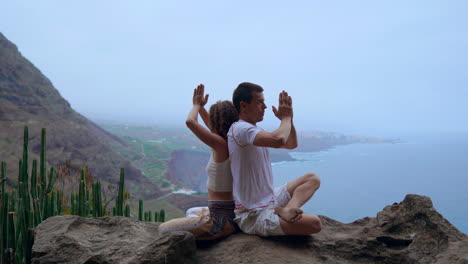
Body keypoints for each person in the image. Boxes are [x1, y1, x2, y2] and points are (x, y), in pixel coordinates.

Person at [227, 82, 322, 236]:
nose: (265, 106)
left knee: (312, 179)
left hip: (269, 200)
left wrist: (289, 120)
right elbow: (278, 139)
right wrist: (285, 118)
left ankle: (286, 211)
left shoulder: (255, 130)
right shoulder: (240, 129)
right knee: (314, 224)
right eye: (259, 102)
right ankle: (282, 212)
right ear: (244, 106)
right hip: (252, 213)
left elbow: (291, 144)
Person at [158, 84, 239, 240]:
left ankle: (223, 229)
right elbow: (212, 127)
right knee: (191, 211)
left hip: (220, 219)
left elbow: (190, 122)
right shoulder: (231, 141)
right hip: (228, 211)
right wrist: (202, 108)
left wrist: (196, 106)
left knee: (163, 229)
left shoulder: (220, 145)